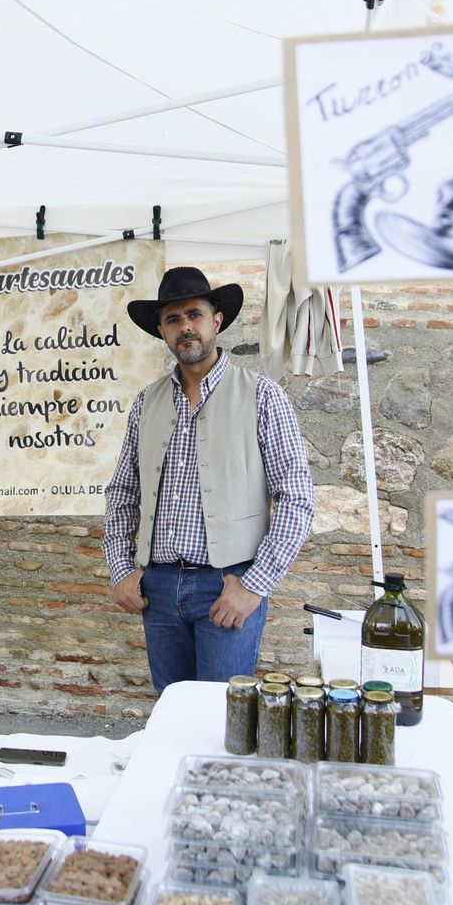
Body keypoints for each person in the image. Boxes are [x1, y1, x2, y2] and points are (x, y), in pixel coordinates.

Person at [102, 267, 314, 693]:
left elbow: (297, 498)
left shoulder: (262, 395)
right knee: (172, 714)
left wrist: (254, 586)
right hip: (157, 588)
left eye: (194, 314)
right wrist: (120, 568)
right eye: (173, 319)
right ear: (161, 330)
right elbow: (123, 492)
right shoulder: (147, 401)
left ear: (216, 319)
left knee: (223, 718)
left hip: (228, 585)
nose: (186, 328)